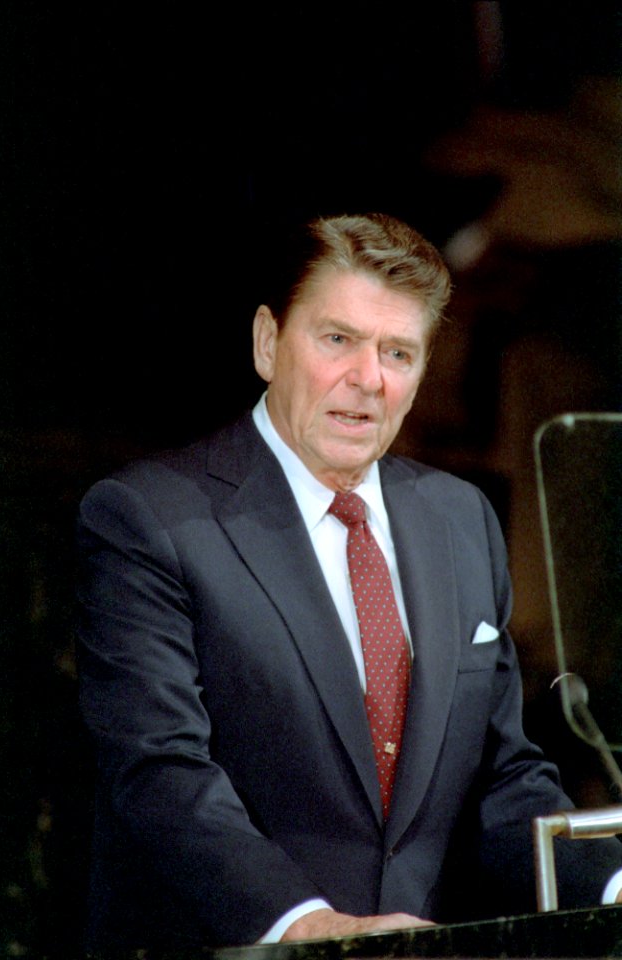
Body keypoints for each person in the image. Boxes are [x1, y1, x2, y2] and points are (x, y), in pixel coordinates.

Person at [76, 213, 622, 952]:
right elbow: (161, 773)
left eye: (397, 352)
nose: (367, 379)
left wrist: (612, 886)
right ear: (268, 343)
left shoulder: (460, 517)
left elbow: (500, 777)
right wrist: (312, 927)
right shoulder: (149, 517)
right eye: (337, 339)